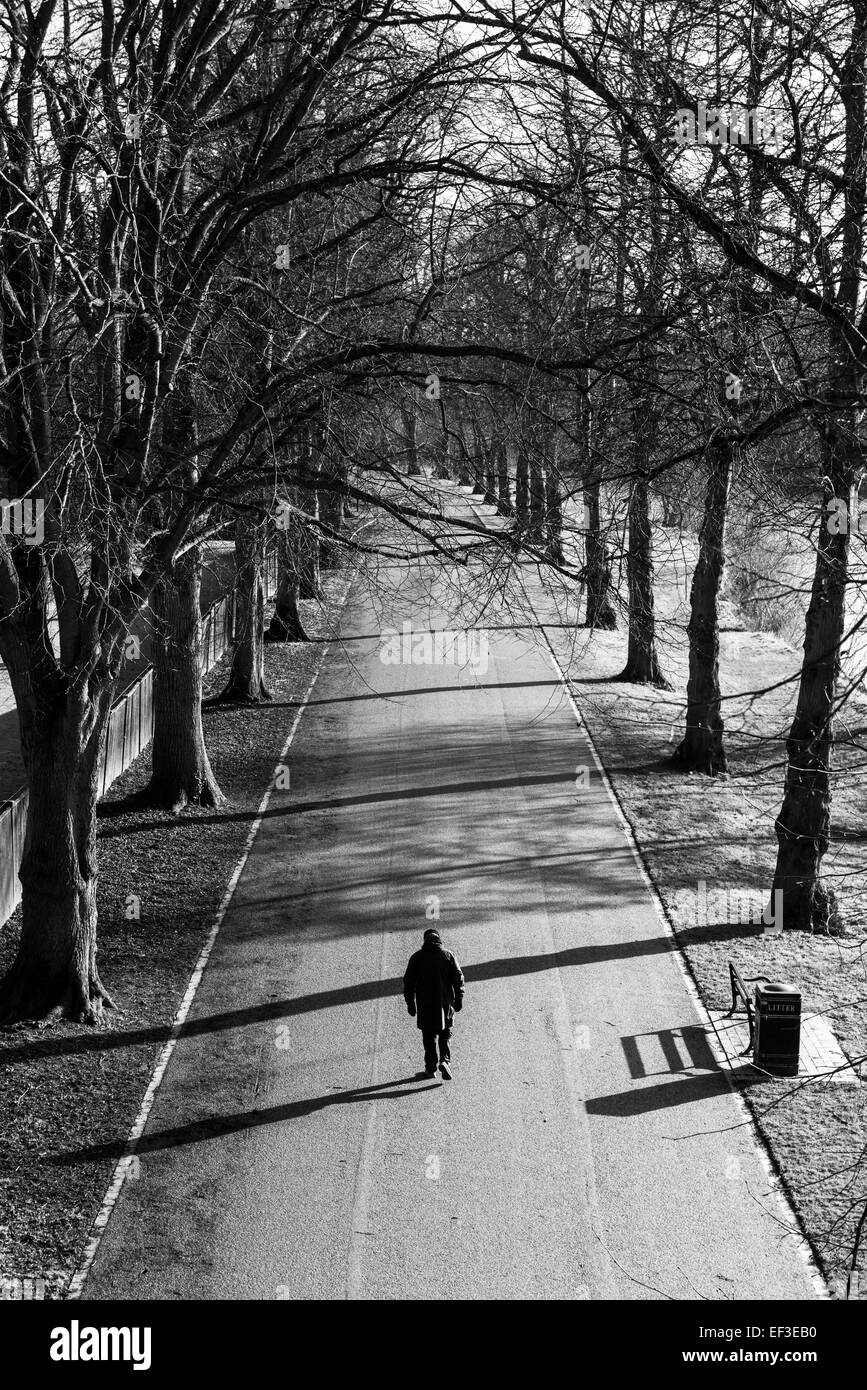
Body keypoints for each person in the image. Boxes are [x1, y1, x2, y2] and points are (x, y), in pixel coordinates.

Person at [403, 928, 465, 1080]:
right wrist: (459, 998)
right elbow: (458, 977)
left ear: (425, 941)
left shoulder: (416, 958)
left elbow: (409, 983)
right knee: (445, 1034)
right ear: (439, 940)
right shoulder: (448, 955)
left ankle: (430, 1068)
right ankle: (444, 1061)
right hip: (446, 1004)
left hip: (425, 1006)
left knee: (429, 1038)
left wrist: (411, 1004)